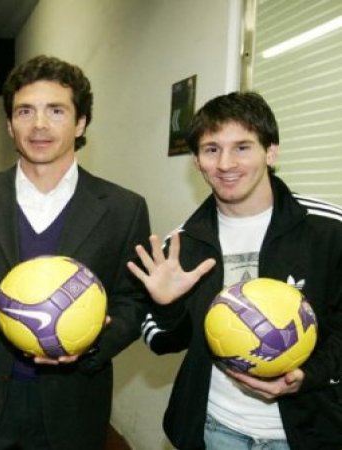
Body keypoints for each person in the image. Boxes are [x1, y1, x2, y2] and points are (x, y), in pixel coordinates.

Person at [0, 55, 151, 450]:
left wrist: (90, 344)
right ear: (9, 125)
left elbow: (133, 302)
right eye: (25, 111)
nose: (39, 124)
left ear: (81, 122)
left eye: (56, 110)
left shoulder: (123, 209)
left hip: (71, 405)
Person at [127, 92, 342, 450]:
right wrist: (167, 307)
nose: (225, 163)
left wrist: (307, 375)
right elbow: (162, 343)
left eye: (242, 147)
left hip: (311, 431)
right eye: (211, 149)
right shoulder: (182, 245)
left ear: (271, 152)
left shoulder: (329, 229)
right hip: (217, 428)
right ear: (197, 161)